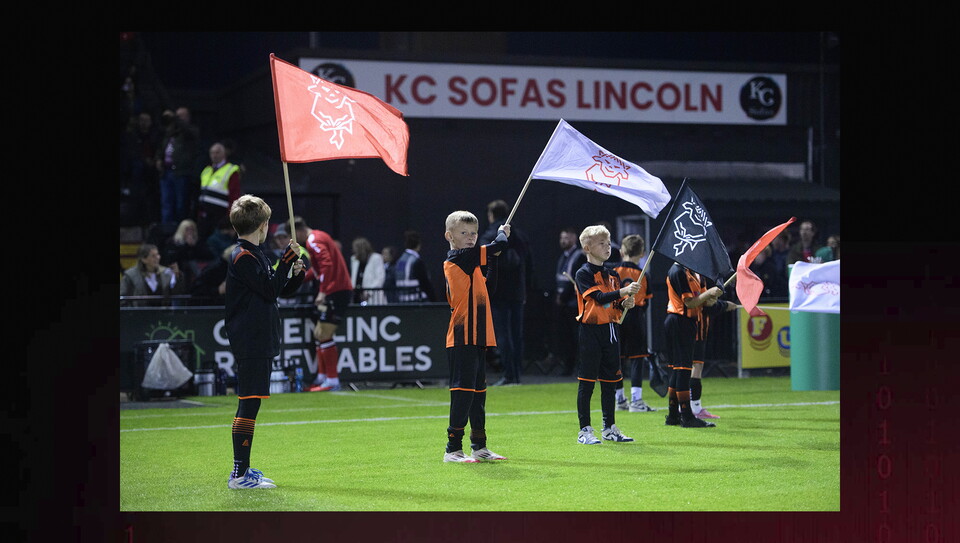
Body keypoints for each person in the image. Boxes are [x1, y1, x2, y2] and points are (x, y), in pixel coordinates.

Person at [224, 194, 305, 489]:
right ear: (262, 225)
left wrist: (295, 274)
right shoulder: (243, 256)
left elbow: (275, 288)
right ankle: (239, 474)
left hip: (258, 337)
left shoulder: (254, 254)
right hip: (251, 338)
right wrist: (285, 260)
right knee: (249, 402)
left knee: (252, 402)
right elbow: (270, 290)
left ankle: (242, 472)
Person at [441, 210, 511, 463]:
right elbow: (500, 244)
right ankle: (452, 449)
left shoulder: (471, 264)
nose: (471, 238)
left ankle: (479, 446)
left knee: (478, 392)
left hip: (479, 335)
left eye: (473, 234)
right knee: (463, 392)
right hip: (462, 335)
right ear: (450, 236)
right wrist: (502, 233)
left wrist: (493, 259)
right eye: (464, 233)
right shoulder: (459, 257)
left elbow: (489, 288)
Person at [572, 225, 641, 445]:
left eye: (608, 241)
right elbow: (600, 298)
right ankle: (584, 430)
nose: (607, 246)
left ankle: (609, 427)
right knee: (587, 382)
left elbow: (615, 305)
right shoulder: (583, 273)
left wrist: (625, 303)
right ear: (587, 248)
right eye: (601, 242)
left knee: (610, 381)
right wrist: (622, 293)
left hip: (611, 330)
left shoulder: (612, 274)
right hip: (590, 331)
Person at [662, 262, 730, 428]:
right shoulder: (678, 271)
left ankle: (673, 415)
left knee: (678, 369)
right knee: (683, 370)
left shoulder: (691, 271)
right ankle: (687, 416)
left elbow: (701, 301)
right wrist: (708, 293)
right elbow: (690, 303)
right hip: (680, 321)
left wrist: (711, 298)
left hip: (684, 322)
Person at [294, 217, 354, 392]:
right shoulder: (318, 237)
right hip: (335, 289)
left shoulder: (314, 240)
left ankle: (332, 380)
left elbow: (327, 265)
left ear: (299, 231)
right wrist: (302, 278)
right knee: (319, 333)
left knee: (325, 333)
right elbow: (320, 268)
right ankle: (322, 377)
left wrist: (323, 291)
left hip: (336, 291)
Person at [479, 200, 534, 387]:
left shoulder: (489, 235)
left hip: (498, 292)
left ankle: (509, 375)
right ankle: (517, 374)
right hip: (518, 292)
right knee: (516, 335)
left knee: (503, 335)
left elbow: (483, 261)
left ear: (491, 215)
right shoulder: (520, 236)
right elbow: (529, 265)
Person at [610, 234, 657, 413]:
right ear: (642, 253)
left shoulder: (613, 271)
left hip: (617, 316)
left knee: (617, 358)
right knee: (637, 358)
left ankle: (619, 399)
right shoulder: (644, 275)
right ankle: (636, 400)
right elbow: (646, 302)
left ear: (622, 251)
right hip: (636, 317)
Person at [689, 275, 737, 420]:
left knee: (692, 367)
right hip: (696, 329)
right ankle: (694, 407)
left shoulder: (695, 277)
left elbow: (708, 302)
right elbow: (706, 305)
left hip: (696, 329)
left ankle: (688, 406)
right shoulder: (693, 278)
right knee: (695, 367)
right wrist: (725, 305)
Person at [155, 107, 199, 225]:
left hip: (181, 173)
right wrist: (159, 159)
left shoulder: (190, 131)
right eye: (177, 115)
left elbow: (189, 131)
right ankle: (166, 230)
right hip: (166, 172)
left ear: (188, 117)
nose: (178, 118)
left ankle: (181, 230)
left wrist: (176, 119)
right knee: (166, 203)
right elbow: (161, 147)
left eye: (181, 116)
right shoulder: (170, 133)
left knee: (181, 204)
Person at [553, 227, 587, 376]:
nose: (563, 241)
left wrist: (564, 296)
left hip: (573, 303)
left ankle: (580, 367)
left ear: (574, 238)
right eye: (561, 238)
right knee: (566, 337)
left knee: (576, 336)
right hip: (563, 303)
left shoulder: (579, 256)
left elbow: (574, 279)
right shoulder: (563, 256)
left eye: (566, 238)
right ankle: (568, 366)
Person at [197, 141, 242, 242]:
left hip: (220, 214)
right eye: (212, 153)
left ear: (224, 153)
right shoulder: (206, 170)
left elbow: (234, 194)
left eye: (217, 152)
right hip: (205, 213)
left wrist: (230, 215)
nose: (214, 155)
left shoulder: (231, 170)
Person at [120, 243, 186, 307]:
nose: (158, 257)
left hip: (163, 315)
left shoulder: (166, 273)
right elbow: (122, 297)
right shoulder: (130, 275)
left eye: (158, 254)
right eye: (153, 256)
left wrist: (177, 277)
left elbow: (177, 293)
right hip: (139, 315)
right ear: (144, 259)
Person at [161, 218, 214, 292]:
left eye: (192, 229)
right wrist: (187, 246)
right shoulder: (173, 242)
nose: (190, 232)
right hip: (180, 272)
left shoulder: (199, 242)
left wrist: (194, 246)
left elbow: (209, 255)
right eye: (187, 229)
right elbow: (171, 258)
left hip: (195, 273)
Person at [393, 230, 437, 302]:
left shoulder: (399, 261)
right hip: (418, 301)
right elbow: (425, 283)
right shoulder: (415, 261)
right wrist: (434, 301)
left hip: (402, 301)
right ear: (418, 245)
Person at [349, 237, 386, 306]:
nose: (354, 251)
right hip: (357, 296)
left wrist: (368, 292)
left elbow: (380, 278)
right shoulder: (354, 259)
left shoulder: (376, 258)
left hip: (373, 297)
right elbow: (353, 277)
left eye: (356, 249)